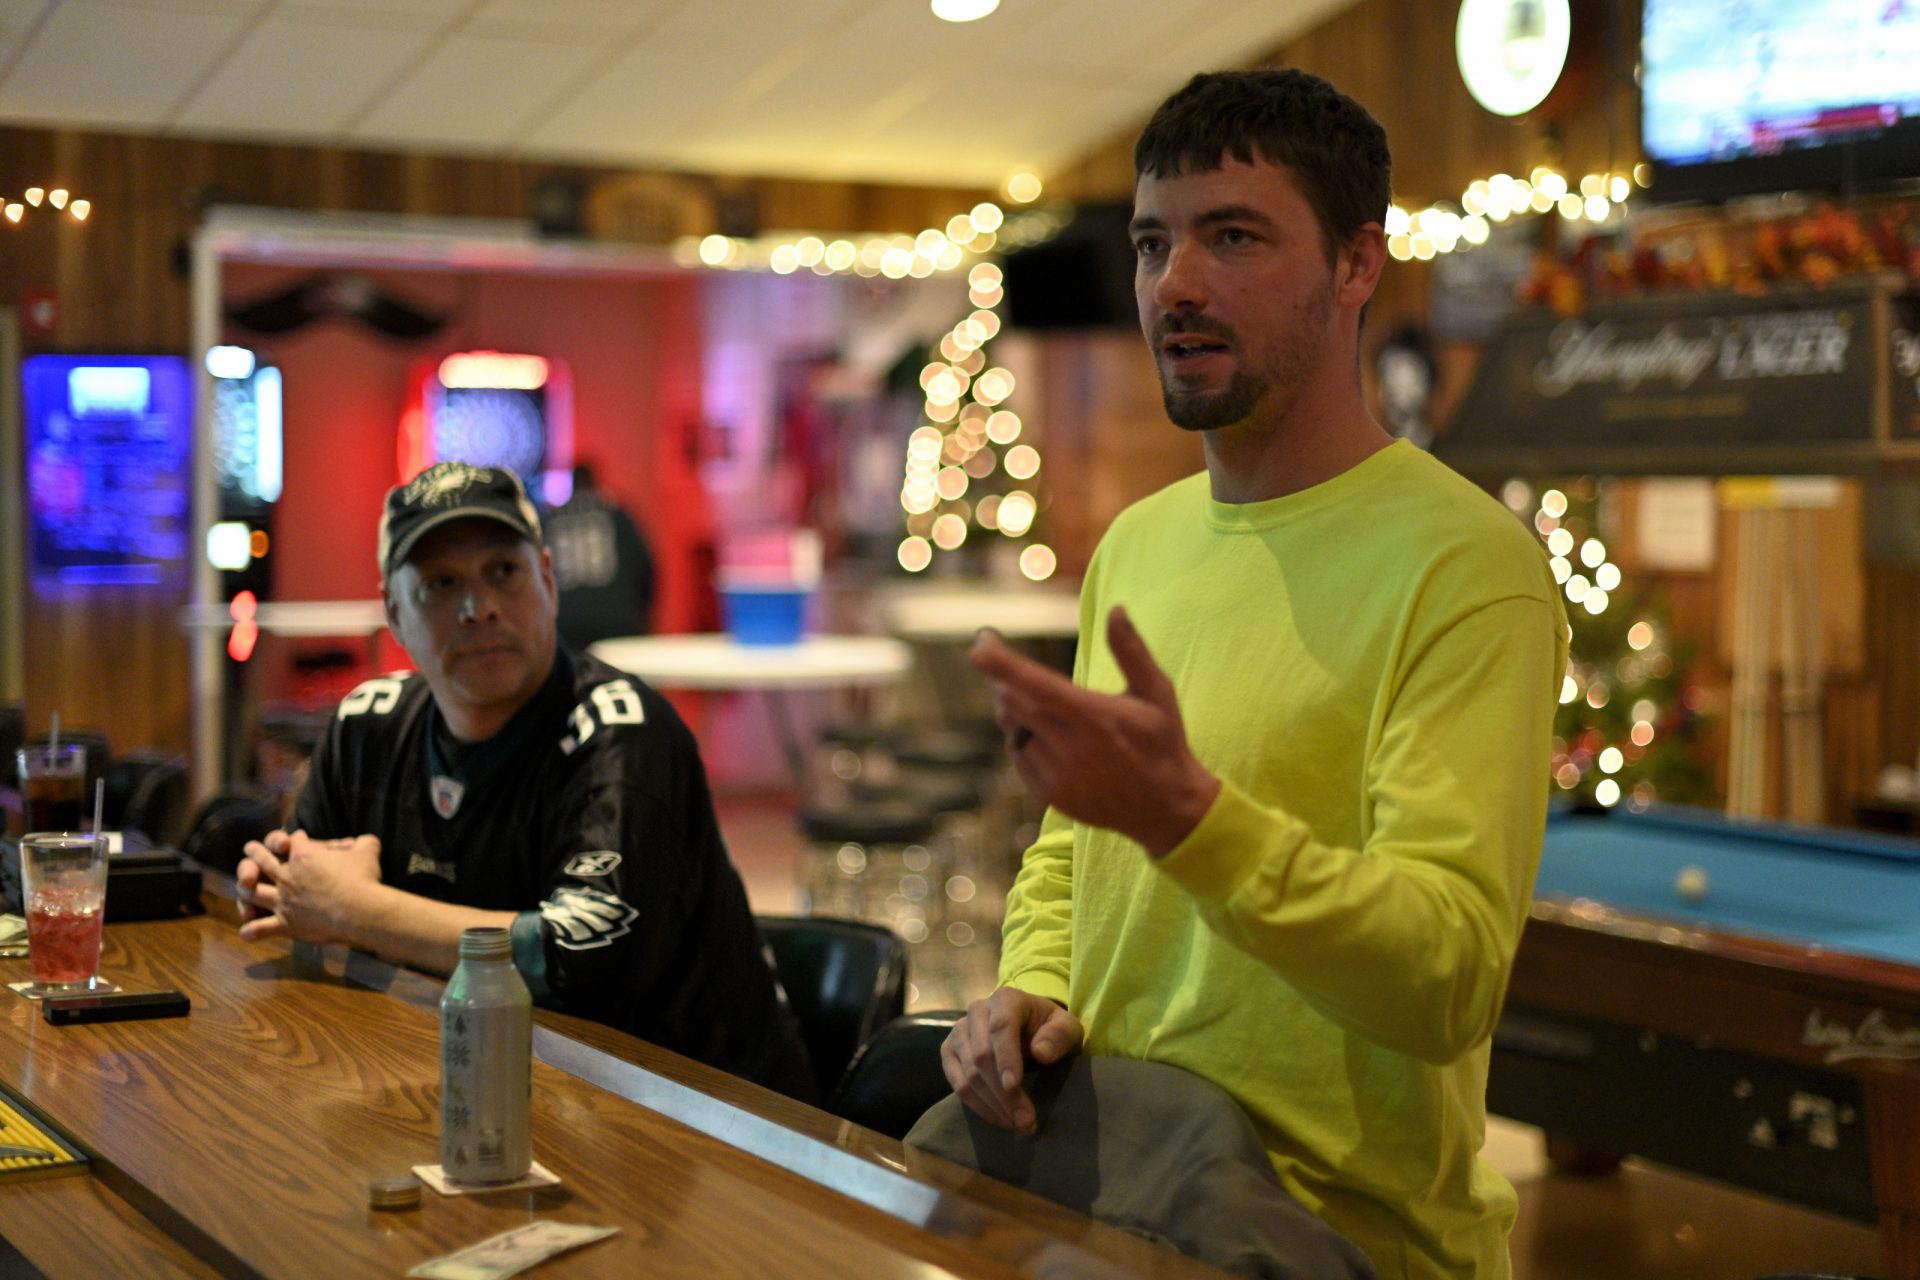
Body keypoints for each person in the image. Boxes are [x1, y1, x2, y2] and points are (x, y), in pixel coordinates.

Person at [941, 69, 1567, 1279]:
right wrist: (1027, 989)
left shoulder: (1468, 564)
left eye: (1232, 236)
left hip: (1339, 1237)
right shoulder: (1138, 541)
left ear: (1355, 264)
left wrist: (1194, 819)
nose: (1174, 284)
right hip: (1112, 1187)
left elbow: (1446, 976)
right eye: (1152, 241)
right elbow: (1072, 857)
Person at [236, 461, 813, 1100]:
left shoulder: (622, 734)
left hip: (710, 1122)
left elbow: (582, 963)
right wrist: (283, 887)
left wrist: (355, 911)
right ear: (394, 613)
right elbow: (300, 895)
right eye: (440, 584)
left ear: (546, 579)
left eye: (503, 573)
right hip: (482, 1081)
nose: (479, 608)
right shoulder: (368, 726)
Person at [544, 462, 657, 650]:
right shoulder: (617, 515)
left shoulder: (549, 518)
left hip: (565, 624)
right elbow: (645, 566)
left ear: (571, 484)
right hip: (616, 620)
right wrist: (642, 615)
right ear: (594, 482)